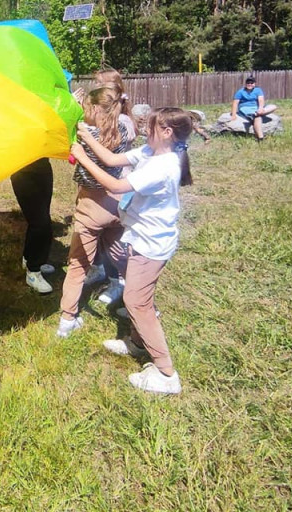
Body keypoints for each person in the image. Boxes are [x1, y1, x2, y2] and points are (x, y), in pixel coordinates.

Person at [70, 107, 194, 395]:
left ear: (167, 133)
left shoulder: (162, 167)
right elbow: (113, 159)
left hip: (152, 244)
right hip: (144, 238)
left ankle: (166, 373)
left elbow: (115, 183)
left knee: (137, 302)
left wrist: (84, 157)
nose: (143, 130)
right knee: (140, 298)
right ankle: (138, 343)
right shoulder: (152, 153)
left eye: (150, 126)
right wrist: (87, 136)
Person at [56, 86, 130, 338]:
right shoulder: (123, 131)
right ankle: (136, 305)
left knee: (77, 265)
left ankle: (67, 319)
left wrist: (71, 104)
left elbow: (64, 124)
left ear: (96, 109)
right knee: (123, 259)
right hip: (117, 205)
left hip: (90, 207)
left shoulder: (83, 134)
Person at [83, 69, 137, 296]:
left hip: (116, 187)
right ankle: (99, 269)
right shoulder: (102, 118)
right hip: (96, 183)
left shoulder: (123, 121)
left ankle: (118, 281)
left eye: (98, 84)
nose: (94, 88)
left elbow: (108, 148)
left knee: (112, 236)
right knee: (93, 230)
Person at [11, 158, 55, 294]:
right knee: (40, 223)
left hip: (42, 168)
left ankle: (30, 257)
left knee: (40, 219)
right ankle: (33, 271)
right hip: (22, 171)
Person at [231, 76, 277, 141]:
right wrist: (233, 115)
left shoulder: (258, 90)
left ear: (254, 84)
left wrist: (261, 109)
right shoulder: (240, 92)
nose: (250, 84)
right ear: (246, 84)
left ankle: (257, 113)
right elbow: (235, 103)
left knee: (274, 106)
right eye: (248, 83)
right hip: (245, 108)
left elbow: (261, 100)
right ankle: (260, 138)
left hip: (257, 108)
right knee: (258, 117)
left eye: (251, 83)